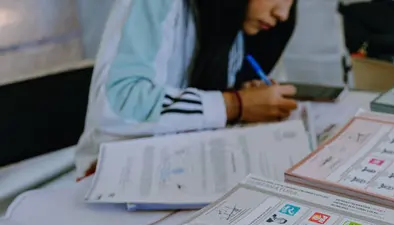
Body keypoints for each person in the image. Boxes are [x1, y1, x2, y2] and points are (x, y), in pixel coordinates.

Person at [75, 0, 298, 177]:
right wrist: (234, 105)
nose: (283, 13)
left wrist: (245, 98)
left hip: (182, 167)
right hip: (118, 176)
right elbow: (119, 104)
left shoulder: (231, 24)